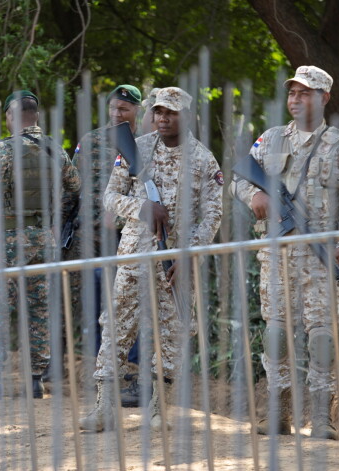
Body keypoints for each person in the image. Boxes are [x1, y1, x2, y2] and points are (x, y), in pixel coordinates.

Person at [233, 65, 339, 440]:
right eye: (292, 92)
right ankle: (277, 413)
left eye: (304, 93)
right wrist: (255, 195)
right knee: (275, 334)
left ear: (324, 97)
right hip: (276, 256)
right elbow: (238, 180)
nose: (295, 99)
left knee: (321, 338)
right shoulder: (271, 139)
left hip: (322, 258)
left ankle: (323, 418)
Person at [80, 87, 223, 432]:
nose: (162, 118)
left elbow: (213, 214)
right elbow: (110, 196)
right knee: (115, 326)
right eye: (158, 112)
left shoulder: (204, 160)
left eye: (170, 113)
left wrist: (190, 253)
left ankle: (159, 409)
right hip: (133, 253)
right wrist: (141, 207)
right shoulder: (137, 149)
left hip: (176, 261)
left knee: (173, 333)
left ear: (186, 116)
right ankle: (103, 408)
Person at [0, 90, 80, 400]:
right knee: (40, 309)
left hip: (3, 239)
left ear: (11, 117)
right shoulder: (56, 151)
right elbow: (76, 185)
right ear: (37, 117)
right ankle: (35, 381)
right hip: (42, 239)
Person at [63, 84, 144, 406]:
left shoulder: (147, 144)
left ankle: (130, 370)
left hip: (127, 236)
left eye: (123, 110)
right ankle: (100, 372)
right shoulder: (92, 140)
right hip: (88, 236)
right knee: (92, 301)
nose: (116, 114)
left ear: (137, 110)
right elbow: (71, 185)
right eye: (112, 109)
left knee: (125, 302)